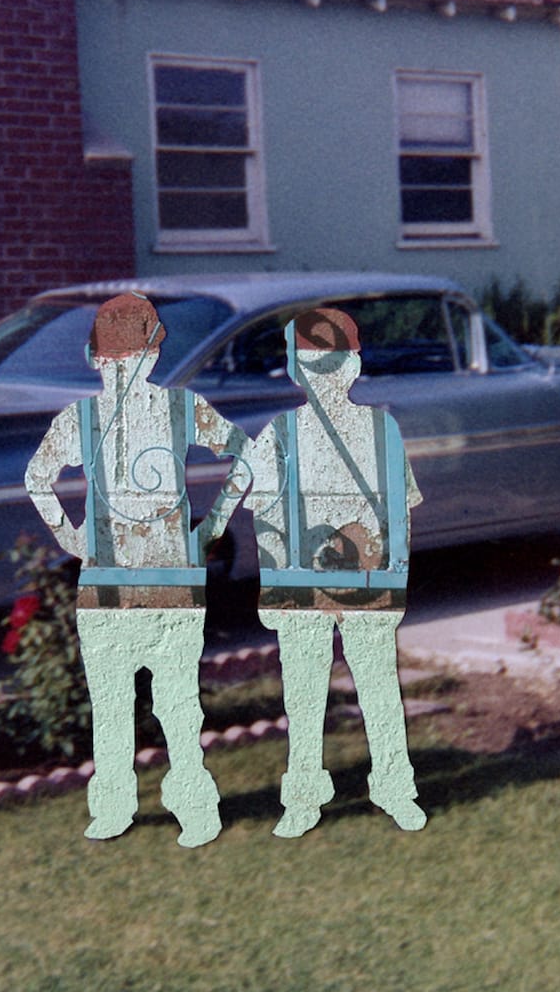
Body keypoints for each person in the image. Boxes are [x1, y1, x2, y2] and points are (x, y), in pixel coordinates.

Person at [25, 292, 249, 847]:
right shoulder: (85, 418)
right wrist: (70, 535)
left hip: (168, 583)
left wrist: (212, 526)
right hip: (112, 586)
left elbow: (246, 455)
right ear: (98, 360)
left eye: (132, 357)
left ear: (150, 358)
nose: (123, 369)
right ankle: (119, 804)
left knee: (174, 703)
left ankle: (188, 802)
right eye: (116, 359)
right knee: (121, 703)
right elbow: (37, 476)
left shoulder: (178, 409)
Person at [245, 307, 426, 838]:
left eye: (333, 363)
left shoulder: (382, 429)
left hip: (369, 581)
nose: (324, 376)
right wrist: (273, 587)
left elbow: (400, 511)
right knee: (303, 694)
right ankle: (303, 794)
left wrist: (395, 579)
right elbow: (264, 516)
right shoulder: (279, 434)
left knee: (379, 686)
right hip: (301, 583)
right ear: (296, 371)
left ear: (353, 367)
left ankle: (394, 786)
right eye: (312, 365)